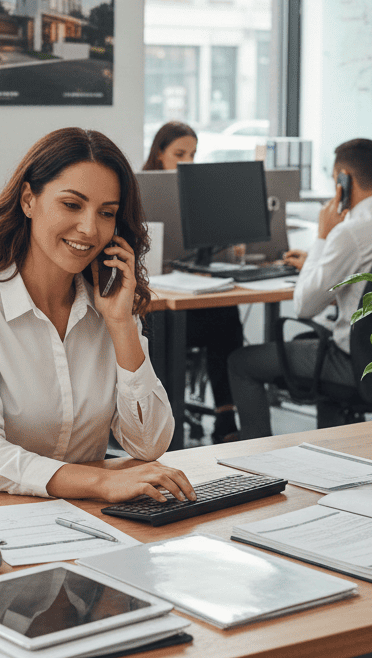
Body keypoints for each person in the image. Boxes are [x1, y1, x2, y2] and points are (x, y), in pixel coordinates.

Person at [0, 127, 195, 503]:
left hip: (81, 515)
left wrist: (121, 325)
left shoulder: (110, 306)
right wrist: (100, 483)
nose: (90, 229)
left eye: (106, 213)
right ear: (29, 200)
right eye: (72, 205)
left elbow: (149, 444)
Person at [227, 138, 372, 439]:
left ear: (342, 179)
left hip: (353, 363)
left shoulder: (347, 233)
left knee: (242, 362)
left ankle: (258, 463)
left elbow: (304, 306)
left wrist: (323, 237)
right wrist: (320, 260)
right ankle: (334, 449)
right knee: (310, 340)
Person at [143, 121, 243, 443]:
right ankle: (166, 428)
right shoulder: (142, 189)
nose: (187, 161)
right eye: (179, 153)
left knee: (226, 315)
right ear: (159, 153)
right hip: (153, 303)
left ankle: (226, 415)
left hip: (187, 291)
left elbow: (204, 249)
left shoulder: (199, 191)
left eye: (193, 154)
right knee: (187, 326)